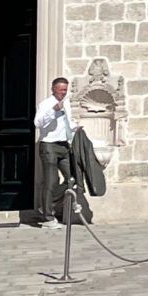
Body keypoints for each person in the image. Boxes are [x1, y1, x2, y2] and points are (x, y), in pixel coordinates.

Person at [32, 77, 91, 224]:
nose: (63, 93)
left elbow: (66, 123)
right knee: (51, 181)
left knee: (73, 178)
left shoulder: (66, 104)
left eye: (65, 90)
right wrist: (53, 111)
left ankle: (46, 204)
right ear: (53, 89)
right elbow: (38, 123)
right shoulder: (46, 104)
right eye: (61, 90)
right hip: (49, 145)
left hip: (64, 146)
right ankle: (47, 217)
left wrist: (75, 128)